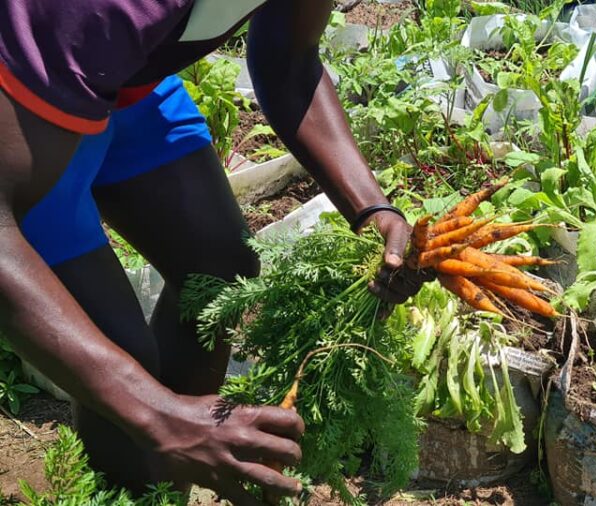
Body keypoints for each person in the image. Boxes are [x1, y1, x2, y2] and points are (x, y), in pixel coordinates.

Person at [0, 0, 428, 503]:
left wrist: (372, 208)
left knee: (220, 270)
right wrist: (156, 414)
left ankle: (166, 483)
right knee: (118, 360)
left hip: (122, 76)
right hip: (22, 88)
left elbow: (287, 61)